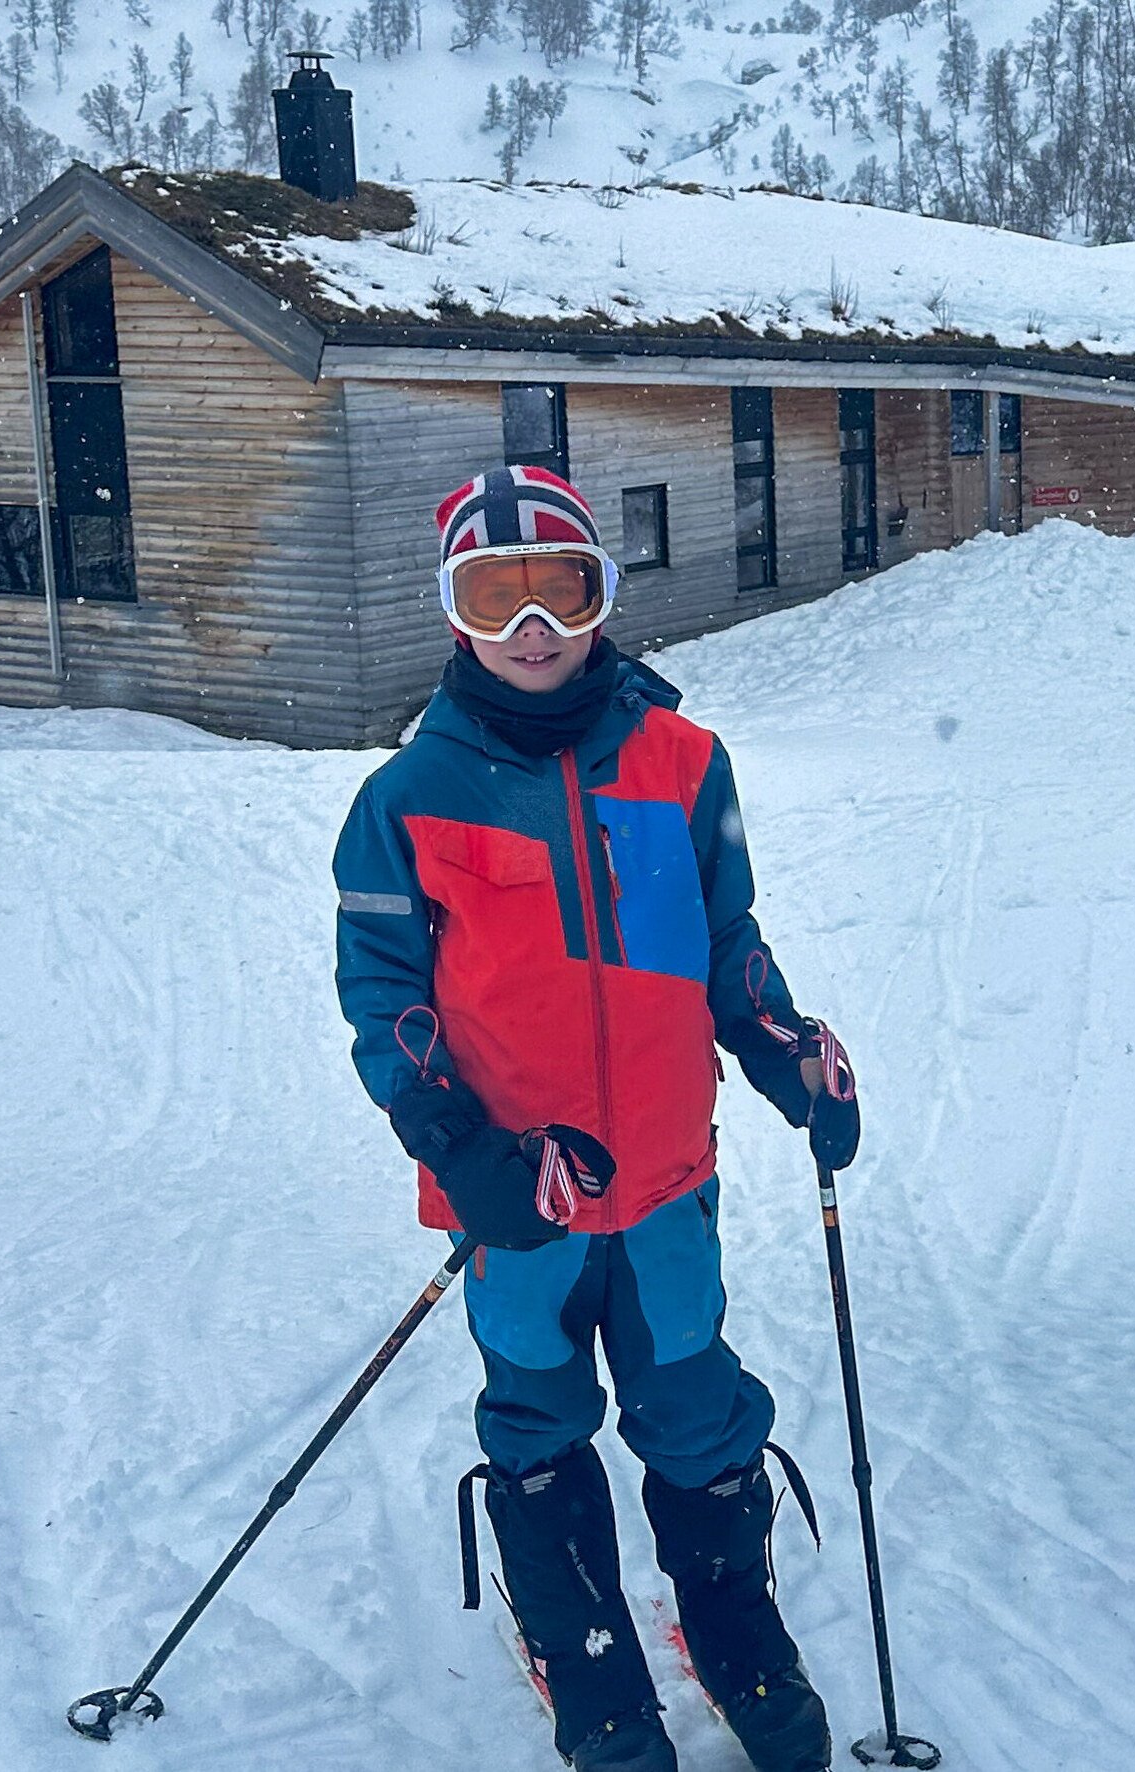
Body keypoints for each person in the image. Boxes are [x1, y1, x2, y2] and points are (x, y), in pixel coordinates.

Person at [330, 465, 862, 1771]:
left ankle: (733, 1629)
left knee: (694, 1408)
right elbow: (382, 994)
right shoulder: (406, 802)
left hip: (671, 1179)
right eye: (492, 592)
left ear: (596, 598)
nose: (529, 624)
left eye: (557, 587)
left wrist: (786, 1052)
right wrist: (455, 1140)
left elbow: (724, 943)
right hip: (521, 1194)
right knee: (541, 1413)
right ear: (456, 612)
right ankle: (585, 1660)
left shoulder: (683, 763)